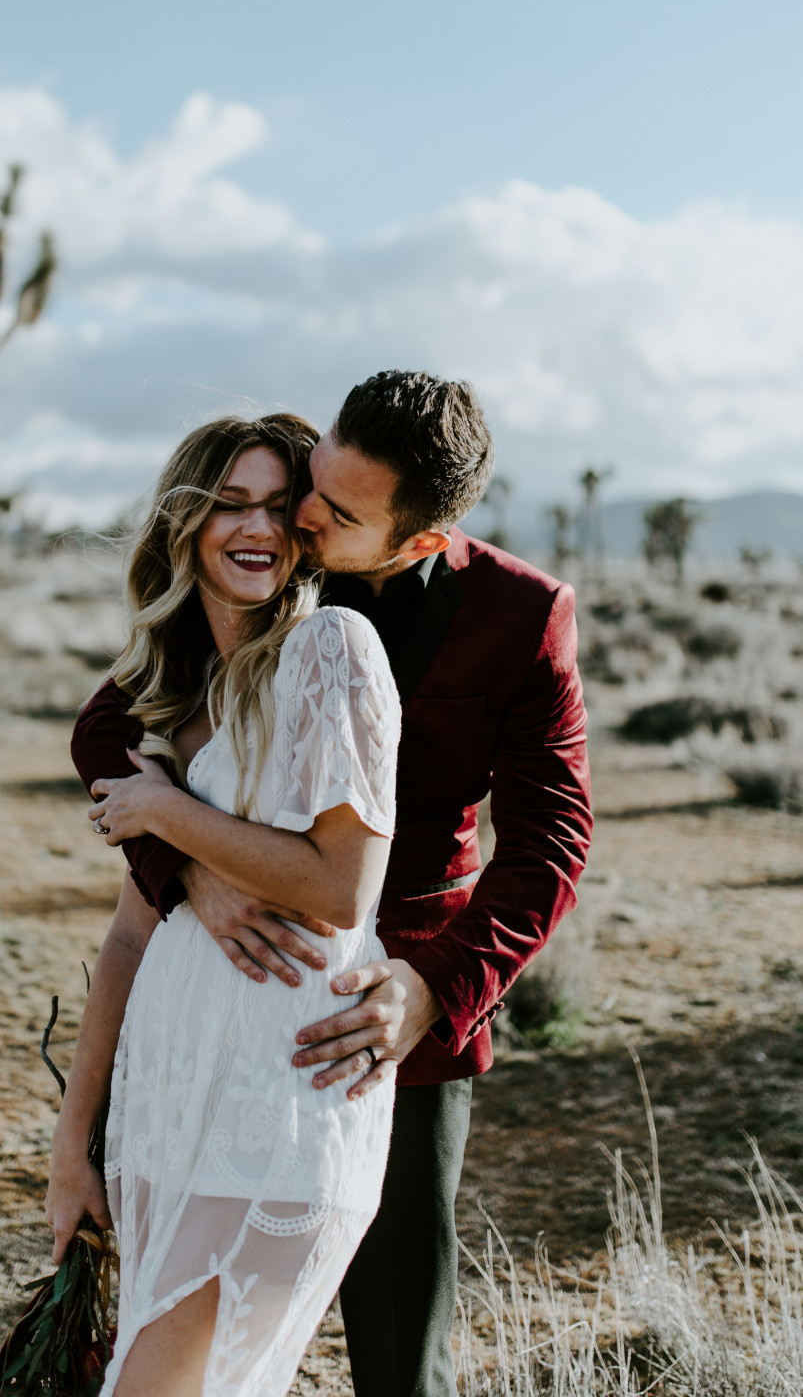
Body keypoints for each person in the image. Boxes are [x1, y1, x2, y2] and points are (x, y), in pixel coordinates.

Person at [73, 370, 594, 1397]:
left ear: (415, 539)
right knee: (180, 1307)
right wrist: (189, 868)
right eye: (313, 480)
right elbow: (109, 721)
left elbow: (551, 839)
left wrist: (434, 987)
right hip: (227, 984)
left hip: (385, 1010)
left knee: (401, 1345)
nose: (302, 515)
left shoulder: (519, 615)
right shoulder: (275, 566)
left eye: (337, 510)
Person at [46, 412, 404, 1397]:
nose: (255, 527)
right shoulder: (171, 697)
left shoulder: (330, 647)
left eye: (274, 507)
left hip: (278, 1105)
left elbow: (340, 889)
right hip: (167, 1109)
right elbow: (127, 935)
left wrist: (165, 811)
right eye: (227, 504)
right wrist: (72, 1145)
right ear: (182, 524)